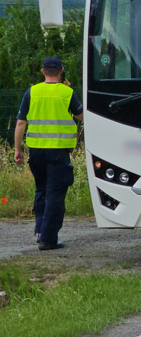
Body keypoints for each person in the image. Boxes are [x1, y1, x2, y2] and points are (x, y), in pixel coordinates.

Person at [13, 57, 83, 250]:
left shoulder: (32, 92)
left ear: (43, 72)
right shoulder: (67, 93)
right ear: (61, 70)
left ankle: (40, 231)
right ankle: (48, 239)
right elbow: (82, 116)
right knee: (55, 193)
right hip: (58, 152)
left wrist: (18, 150)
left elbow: (20, 123)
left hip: (36, 152)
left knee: (41, 190)